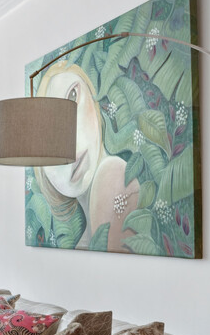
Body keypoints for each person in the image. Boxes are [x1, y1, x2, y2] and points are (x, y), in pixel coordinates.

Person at [31, 60, 140, 252]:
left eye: (72, 96)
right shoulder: (84, 238)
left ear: (93, 97)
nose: (66, 143)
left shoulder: (112, 173)